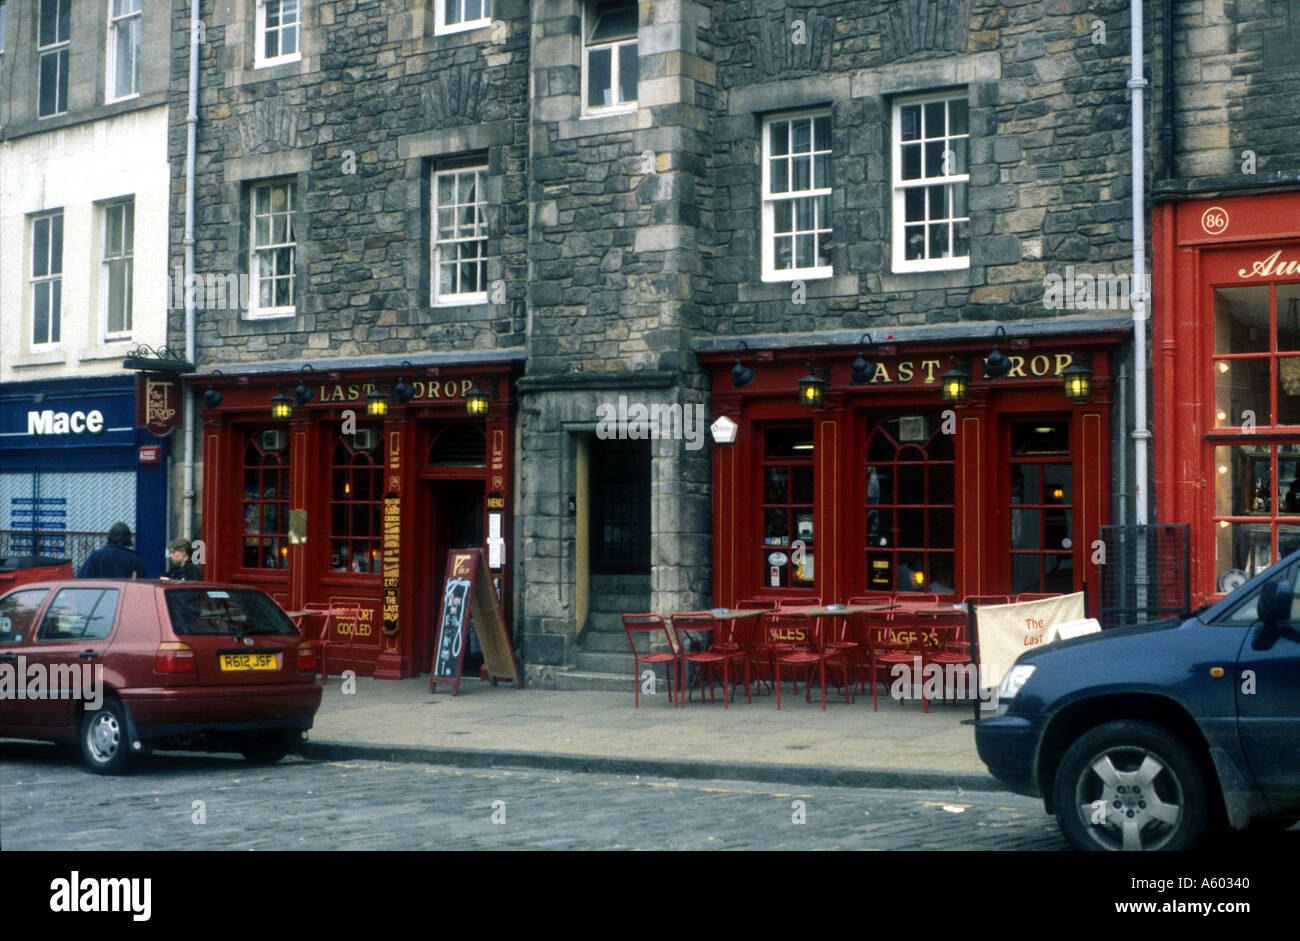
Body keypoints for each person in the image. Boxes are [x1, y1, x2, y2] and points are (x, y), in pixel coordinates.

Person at [77, 522, 149, 579]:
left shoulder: (96, 556)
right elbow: (143, 584)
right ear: (128, 538)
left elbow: (81, 580)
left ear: (110, 536)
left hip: (100, 593)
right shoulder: (134, 560)